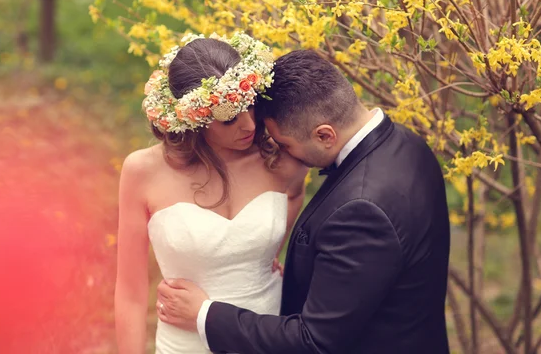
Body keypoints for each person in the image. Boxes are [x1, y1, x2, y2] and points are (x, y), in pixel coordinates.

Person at [155, 49, 451, 354]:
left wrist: (204, 314)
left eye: (285, 144)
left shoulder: (362, 210)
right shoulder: (408, 144)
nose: (284, 153)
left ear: (325, 136)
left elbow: (313, 342)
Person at [114, 33, 308, 353]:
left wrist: (267, 248)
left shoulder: (278, 157)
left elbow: (295, 192)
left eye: (250, 107)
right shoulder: (142, 172)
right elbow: (131, 293)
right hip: (184, 344)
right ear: (195, 117)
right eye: (229, 118)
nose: (248, 126)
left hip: (267, 336)